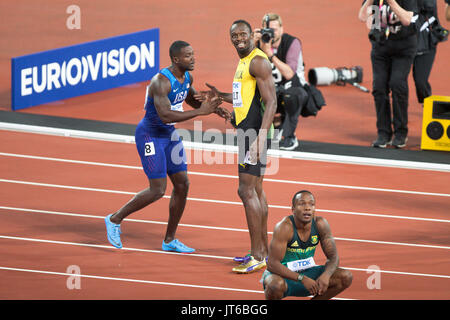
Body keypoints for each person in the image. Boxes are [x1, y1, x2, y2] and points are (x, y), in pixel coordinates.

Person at [104, 40, 229, 252]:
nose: (193, 58)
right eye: (188, 56)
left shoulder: (187, 77)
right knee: (158, 189)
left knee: (182, 184)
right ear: (175, 59)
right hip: (150, 135)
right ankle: (115, 219)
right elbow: (165, 115)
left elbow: (192, 101)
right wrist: (202, 112)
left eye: (193, 54)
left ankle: (169, 240)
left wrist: (215, 110)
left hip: (169, 135)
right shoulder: (160, 82)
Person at [200, 20, 277, 273]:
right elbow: (246, 96)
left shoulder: (257, 61)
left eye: (243, 34)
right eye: (234, 35)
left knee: (245, 192)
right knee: (256, 189)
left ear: (252, 35)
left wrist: (258, 139)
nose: (238, 39)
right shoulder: (245, 61)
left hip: (254, 134)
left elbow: (272, 102)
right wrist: (220, 97)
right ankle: (263, 252)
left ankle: (257, 255)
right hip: (250, 131)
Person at [261, 190, 353, 300]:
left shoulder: (320, 224)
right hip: (283, 276)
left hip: (307, 272)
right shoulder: (284, 228)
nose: (307, 208)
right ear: (293, 209)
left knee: (345, 277)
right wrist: (302, 279)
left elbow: (333, 257)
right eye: (302, 204)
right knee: (275, 285)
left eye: (311, 204)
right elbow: (272, 264)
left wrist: (326, 275)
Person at [359, 0, 419, 149]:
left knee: (397, 84)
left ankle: (400, 132)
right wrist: (368, 2)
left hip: (404, 48)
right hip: (381, 47)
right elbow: (362, 17)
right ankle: (383, 132)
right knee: (379, 87)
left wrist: (392, 3)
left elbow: (407, 20)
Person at [254, 13, 309, 151]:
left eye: (275, 29)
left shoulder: (292, 43)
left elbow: (290, 73)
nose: (271, 33)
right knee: (250, 92)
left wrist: (270, 54)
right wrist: (252, 44)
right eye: (268, 30)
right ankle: (274, 126)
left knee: (292, 95)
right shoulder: (259, 43)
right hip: (272, 89)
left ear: (282, 29)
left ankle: (290, 136)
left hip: (294, 89)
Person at [413, 0, 447, 104]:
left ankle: (426, 103)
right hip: (403, 41)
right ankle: (398, 114)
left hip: (426, 42)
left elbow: (428, 5)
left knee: (420, 81)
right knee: (396, 81)